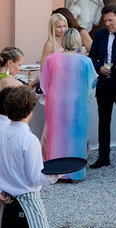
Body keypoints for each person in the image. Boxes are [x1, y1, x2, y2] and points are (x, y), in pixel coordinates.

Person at [0, 83, 48, 228]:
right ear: (30, 111)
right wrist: (54, 175)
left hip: (4, 201)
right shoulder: (29, 140)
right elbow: (34, 178)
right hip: (28, 204)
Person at [38, 29, 96, 182]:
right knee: (76, 136)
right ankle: (75, 172)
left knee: (56, 134)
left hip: (56, 102)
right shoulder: (85, 61)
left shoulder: (52, 59)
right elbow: (93, 81)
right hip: (78, 103)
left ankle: (55, 170)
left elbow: (43, 80)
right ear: (78, 41)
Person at [87, 6, 116, 170]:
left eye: (110, 20)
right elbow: (91, 58)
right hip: (105, 83)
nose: (107, 24)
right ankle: (103, 156)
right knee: (103, 121)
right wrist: (99, 67)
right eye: (105, 20)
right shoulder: (99, 35)